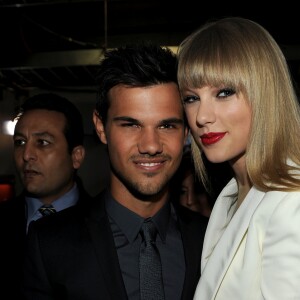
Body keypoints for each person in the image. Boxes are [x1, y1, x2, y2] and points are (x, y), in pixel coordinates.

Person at [22, 43, 208, 300]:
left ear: (186, 131)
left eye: (167, 126)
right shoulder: (50, 244)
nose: (151, 145)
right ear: (101, 127)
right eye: (131, 125)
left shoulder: (213, 238)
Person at [177, 17, 300, 299]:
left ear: (264, 93)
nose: (202, 117)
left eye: (224, 92)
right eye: (191, 98)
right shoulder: (231, 197)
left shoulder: (291, 201)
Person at [0, 92, 91, 299]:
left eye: (42, 142)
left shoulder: (107, 224)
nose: (26, 155)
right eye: (20, 142)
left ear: (76, 157)